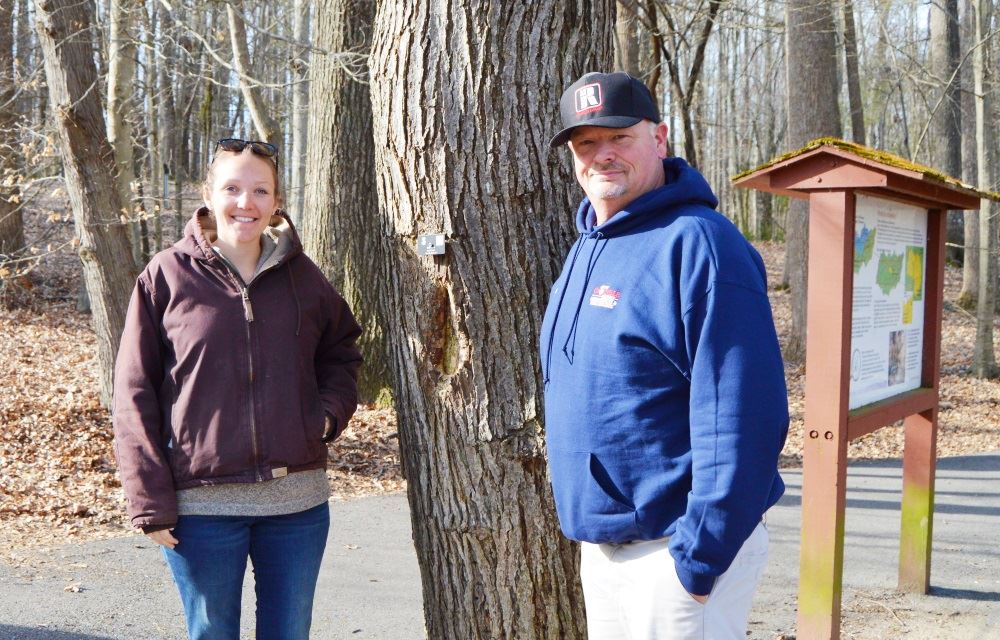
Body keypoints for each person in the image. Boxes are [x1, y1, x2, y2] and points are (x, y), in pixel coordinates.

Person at [540, 72, 789, 639]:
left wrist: (698, 558)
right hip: (605, 550)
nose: (602, 155)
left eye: (620, 137)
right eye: (585, 143)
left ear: (660, 138)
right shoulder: (587, 247)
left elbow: (743, 414)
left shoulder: (700, 243)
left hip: (674, 549)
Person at [113, 137, 362, 640]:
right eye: (232, 188)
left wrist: (326, 417)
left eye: (260, 190)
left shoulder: (305, 279)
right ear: (208, 193)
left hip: (297, 507)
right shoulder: (165, 277)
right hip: (201, 509)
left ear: (276, 202)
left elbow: (342, 355)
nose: (245, 203)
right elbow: (133, 394)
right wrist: (149, 501)